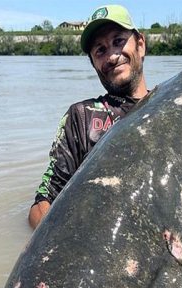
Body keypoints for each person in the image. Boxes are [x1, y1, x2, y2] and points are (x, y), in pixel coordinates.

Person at [28, 4, 148, 229]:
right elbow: (42, 203)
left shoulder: (172, 105)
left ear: (140, 44)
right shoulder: (81, 117)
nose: (112, 56)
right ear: (93, 63)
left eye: (118, 41)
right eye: (100, 50)